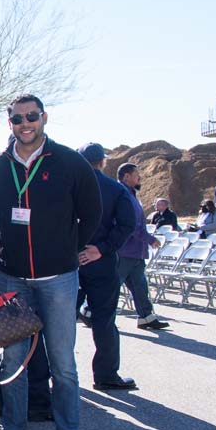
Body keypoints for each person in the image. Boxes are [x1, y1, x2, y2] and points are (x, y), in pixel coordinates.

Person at [0, 95, 101, 430]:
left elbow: (92, 211)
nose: (25, 123)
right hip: (13, 280)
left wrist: (68, 249)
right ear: (10, 123)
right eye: (17, 118)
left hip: (59, 280)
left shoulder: (68, 161)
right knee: (13, 364)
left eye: (32, 116)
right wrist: (2, 254)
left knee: (63, 367)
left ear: (44, 117)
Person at [74, 145, 139, 394]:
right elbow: (126, 224)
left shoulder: (69, 188)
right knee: (104, 320)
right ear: (102, 162)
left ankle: (58, 376)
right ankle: (106, 375)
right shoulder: (117, 189)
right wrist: (101, 248)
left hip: (71, 262)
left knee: (61, 324)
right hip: (102, 262)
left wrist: (73, 250)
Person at [116, 163, 170, 332]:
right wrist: (149, 239)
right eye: (136, 175)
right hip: (125, 251)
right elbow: (131, 224)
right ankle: (89, 312)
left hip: (135, 252)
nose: (139, 178)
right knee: (111, 286)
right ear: (126, 176)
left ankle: (146, 317)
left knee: (140, 287)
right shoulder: (123, 194)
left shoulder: (131, 194)